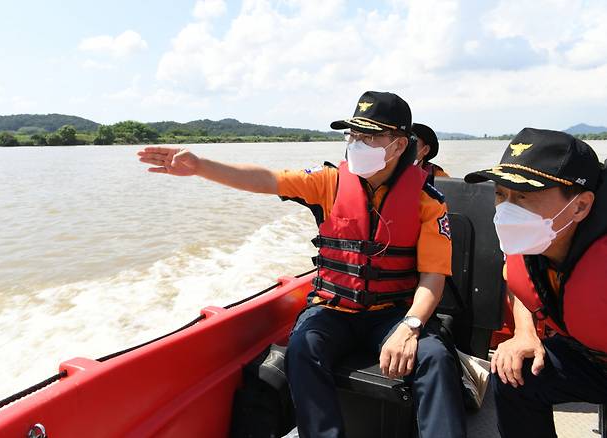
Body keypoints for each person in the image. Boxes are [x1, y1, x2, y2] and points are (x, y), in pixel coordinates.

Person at [138, 91, 466, 438]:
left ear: (399, 146)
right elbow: (267, 179)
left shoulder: (426, 201)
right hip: (333, 311)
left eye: (369, 136)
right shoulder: (328, 182)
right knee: (303, 344)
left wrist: (410, 327)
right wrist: (201, 166)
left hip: (392, 314)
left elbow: (433, 277)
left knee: (435, 356)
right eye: (353, 134)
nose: (356, 143)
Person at [464, 127, 607, 438]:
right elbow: (521, 286)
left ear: (580, 206)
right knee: (513, 373)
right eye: (501, 194)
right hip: (586, 354)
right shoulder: (532, 241)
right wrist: (525, 334)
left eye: (524, 196)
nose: (506, 211)